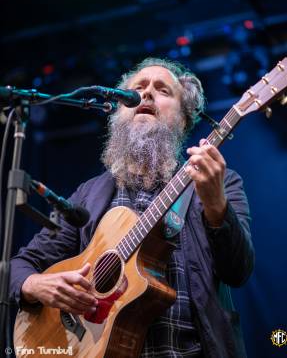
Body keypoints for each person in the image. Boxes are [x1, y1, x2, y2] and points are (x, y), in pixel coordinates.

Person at [10, 57, 254, 358]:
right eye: (138, 88)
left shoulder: (219, 182)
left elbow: (238, 270)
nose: (147, 93)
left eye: (163, 90)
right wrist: (34, 284)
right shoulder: (88, 195)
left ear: (184, 118)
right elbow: (18, 267)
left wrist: (216, 205)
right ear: (117, 112)